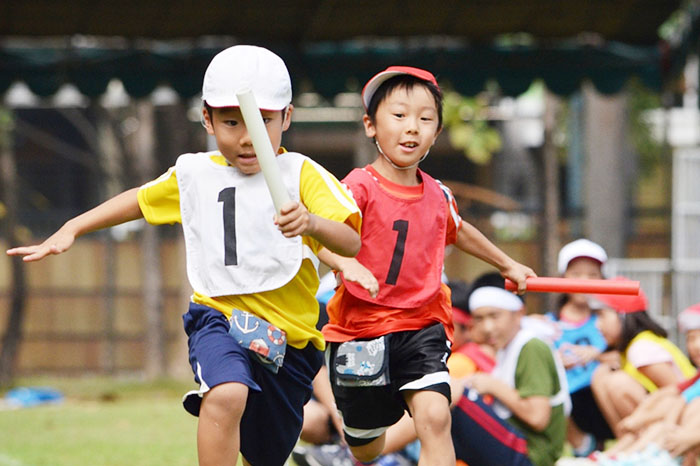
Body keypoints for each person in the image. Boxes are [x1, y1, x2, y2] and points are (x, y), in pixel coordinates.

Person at [6, 45, 362, 466]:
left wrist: (311, 224)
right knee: (227, 392)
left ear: (286, 117)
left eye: (262, 121)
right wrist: (73, 227)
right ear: (208, 119)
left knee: (265, 455)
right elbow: (139, 200)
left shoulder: (303, 175)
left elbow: (350, 241)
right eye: (232, 122)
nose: (247, 136)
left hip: (291, 344)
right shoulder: (195, 175)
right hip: (219, 320)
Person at [317, 65, 536, 466]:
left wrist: (508, 264)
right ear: (371, 125)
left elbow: (460, 229)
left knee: (435, 416)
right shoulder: (356, 187)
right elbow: (323, 238)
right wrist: (345, 264)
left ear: (436, 132)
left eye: (425, 118)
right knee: (366, 447)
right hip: (360, 329)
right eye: (399, 116)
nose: (412, 127)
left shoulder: (438, 195)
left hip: (422, 324)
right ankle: (358, 434)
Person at [451, 272, 569, 466]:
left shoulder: (531, 347)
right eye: (479, 319)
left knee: (452, 392)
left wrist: (492, 386)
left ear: (519, 313)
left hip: (532, 455)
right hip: (517, 449)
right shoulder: (507, 348)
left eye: (494, 316)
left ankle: (384, 446)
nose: (488, 327)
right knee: (439, 404)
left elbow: (538, 417)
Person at [590, 279, 697, 436]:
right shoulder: (632, 348)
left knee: (618, 383)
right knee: (601, 375)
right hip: (663, 416)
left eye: (602, 316)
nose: (597, 325)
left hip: (685, 418)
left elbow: (678, 393)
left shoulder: (642, 348)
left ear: (623, 315)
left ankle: (647, 446)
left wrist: (642, 419)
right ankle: (629, 443)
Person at [547, 239, 615, 456]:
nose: (584, 282)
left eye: (592, 275)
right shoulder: (549, 325)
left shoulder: (609, 321)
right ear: (562, 279)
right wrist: (554, 360)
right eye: (576, 274)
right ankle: (583, 446)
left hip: (603, 399)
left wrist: (597, 356)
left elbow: (624, 358)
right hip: (569, 402)